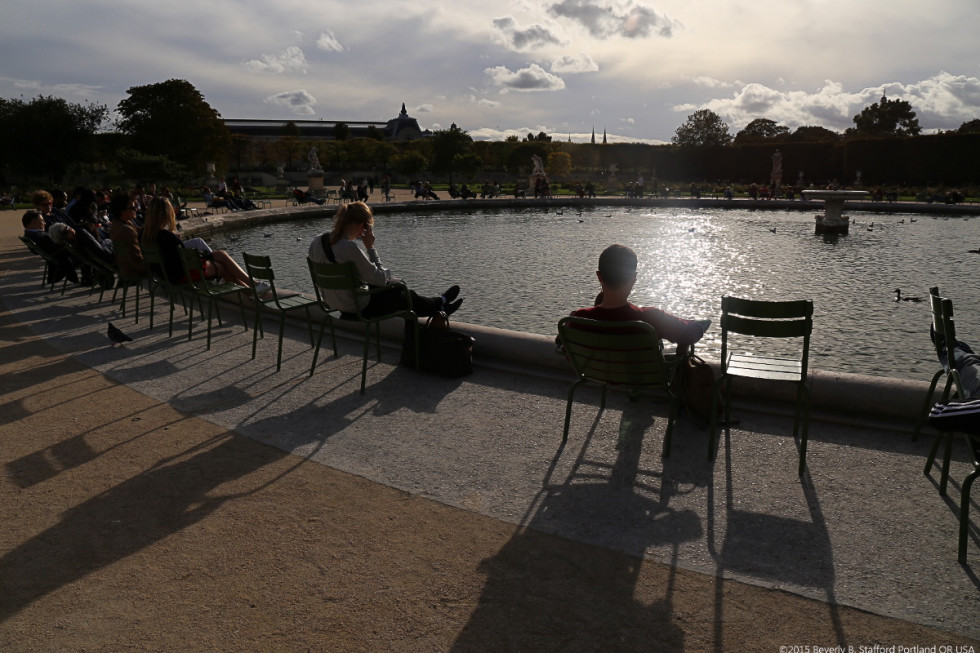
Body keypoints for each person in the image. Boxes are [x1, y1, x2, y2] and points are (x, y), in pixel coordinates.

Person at [308, 201, 461, 318]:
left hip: (334, 302)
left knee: (400, 291)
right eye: (366, 227)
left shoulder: (316, 241)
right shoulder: (349, 248)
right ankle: (439, 306)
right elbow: (381, 279)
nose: (365, 232)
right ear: (361, 224)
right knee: (401, 289)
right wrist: (370, 247)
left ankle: (439, 305)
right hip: (357, 306)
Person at [570, 244, 708, 356]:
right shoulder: (651, 318)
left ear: (599, 276)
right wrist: (699, 325)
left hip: (596, 377)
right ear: (633, 278)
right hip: (643, 379)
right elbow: (692, 333)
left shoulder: (578, 319)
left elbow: (564, 348)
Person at [141, 196, 262, 292]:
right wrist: (203, 255)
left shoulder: (143, 234)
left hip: (166, 275)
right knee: (223, 267)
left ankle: (251, 287)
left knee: (220, 254)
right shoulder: (167, 236)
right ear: (167, 214)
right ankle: (251, 288)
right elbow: (185, 259)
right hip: (181, 275)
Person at [22, 210, 79, 284]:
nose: (45, 223)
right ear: (33, 222)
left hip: (55, 259)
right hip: (64, 258)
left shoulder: (30, 234)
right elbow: (55, 248)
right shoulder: (40, 236)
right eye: (42, 221)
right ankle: (87, 279)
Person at [108, 193, 147, 278]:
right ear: (121, 210)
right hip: (133, 270)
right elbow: (136, 258)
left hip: (124, 268)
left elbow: (139, 230)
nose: (136, 209)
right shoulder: (126, 230)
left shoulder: (117, 224)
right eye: (132, 208)